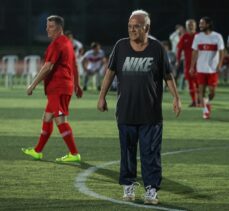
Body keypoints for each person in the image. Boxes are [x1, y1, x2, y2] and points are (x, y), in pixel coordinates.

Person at [97, 10, 181, 204]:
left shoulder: (157, 48)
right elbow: (110, 73)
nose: (132, 29)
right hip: (126, 111)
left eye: (136, 26)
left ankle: (151, 189)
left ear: (147, 28)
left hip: (151, 113)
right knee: (127, 152)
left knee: (150, 153)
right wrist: (101, 96)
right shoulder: (120, 46)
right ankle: (128, 185)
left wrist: (176, 98)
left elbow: (167, 75)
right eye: (130, 25)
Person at [22, 15, 83, 162]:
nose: (47, 29)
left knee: (60, 120)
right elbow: (74, 65)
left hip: (59, 87)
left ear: (59, 28)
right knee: (47, 117)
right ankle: (37, 151)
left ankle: (74, 154)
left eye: (51, 26)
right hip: (62, 86)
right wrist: (77, 85)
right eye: (46, 26)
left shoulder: (56, 44)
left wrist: (32, 85)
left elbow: (47, 67)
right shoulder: (67, 43)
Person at [190, 17, 224, 119]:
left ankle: (207, 102)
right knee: (201, 91)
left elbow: (222, 51)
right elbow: (194, 52)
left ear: (208, 24)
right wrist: (192, 66)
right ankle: (205, 111)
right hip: (201, 68)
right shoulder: (198, 37)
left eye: (202, 23)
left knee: (212, 92)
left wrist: (220, 64)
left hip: (212, 69)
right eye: (200, 23)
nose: (200, 25)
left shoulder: (217, 36)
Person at [177, 19, 199, 107]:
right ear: (186, 26)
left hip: (199, 64)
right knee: (190, 83)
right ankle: (194, 101)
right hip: (187, 64)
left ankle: (200, 101)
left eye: (192, 24)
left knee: (198, 83)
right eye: (188, 25)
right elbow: (179, 50)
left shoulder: (199, 36)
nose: (190, 26)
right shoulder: (184, 37)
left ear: (195, 26)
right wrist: (178, 60)